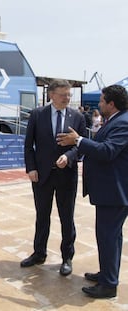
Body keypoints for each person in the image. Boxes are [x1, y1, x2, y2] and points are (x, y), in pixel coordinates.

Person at [57, 84, 128, 298]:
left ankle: (108, 285)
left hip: (115, 193)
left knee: (108, 237)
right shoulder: (115, 120)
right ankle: (107, 274)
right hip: (110, 191)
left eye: (101, 101)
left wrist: (78, 140)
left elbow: (107, 151)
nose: (99, 104)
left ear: (111, 104)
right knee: (110, 238)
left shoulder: (123, 123)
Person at [21, 79, 87, 276]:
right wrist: (31, 168)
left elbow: (81, 146)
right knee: (42, 216)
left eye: (69, 95)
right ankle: (39, 253)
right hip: (42, 176)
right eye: (63, 94)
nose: (67, 98)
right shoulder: (37, 114)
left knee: (67, 218)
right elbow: (28, 145)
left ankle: (67, 258)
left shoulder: (77, 117)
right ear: (51, 95)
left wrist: (68, 156)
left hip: (67, 176)